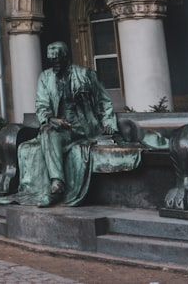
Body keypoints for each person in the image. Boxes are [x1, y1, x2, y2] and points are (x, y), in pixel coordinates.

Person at [14, 41, 118, 206]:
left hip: (84, 128)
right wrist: (50, 119)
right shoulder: (45, 78)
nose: (54, 63)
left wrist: (108, 122)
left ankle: (56, 185)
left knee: (46, 136)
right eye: (51, 60)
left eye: (57, 59)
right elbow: (41, 105)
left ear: (65, 56)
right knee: (46, 132)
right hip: (59, 129)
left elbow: (103, 100)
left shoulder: (85, 74)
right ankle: (57, 184)